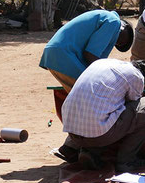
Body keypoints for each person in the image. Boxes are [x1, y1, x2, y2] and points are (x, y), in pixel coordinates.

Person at [39, 10, 134, 162]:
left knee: (83, 101)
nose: (117, 43)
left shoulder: (104, 19)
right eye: (121, 41)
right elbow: (90, 54)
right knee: (92, 101)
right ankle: (83, 149)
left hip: (57, 55)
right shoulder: (113, 23)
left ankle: (71, 147)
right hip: (65, 57)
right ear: (124, 29)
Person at [60, 58, 145, 172]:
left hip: (72, 132)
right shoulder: (137, 76)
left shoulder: (101, 62)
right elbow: (133, 102)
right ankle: (126, 161)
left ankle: (77, 148)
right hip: (99, 134)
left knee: (99, 107)